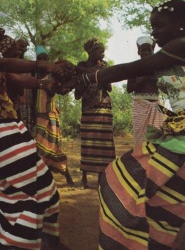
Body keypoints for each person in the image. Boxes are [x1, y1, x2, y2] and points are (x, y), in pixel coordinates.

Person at [62, 0, 185, 250]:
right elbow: (136, 74)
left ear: (182, 24)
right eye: (152, 27)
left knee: (116, 182)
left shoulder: (184, 45)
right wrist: (80, 71)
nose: (154, 33)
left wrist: (85, 76)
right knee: (159, 217)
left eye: (159, 26)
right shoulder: (180, 53)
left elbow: (136, 68)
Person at [0, 32, 76, 249]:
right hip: (5, 131)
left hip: (10, 125)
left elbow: (10, 74)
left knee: (44, 191)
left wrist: (45, 85)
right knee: (34, 193)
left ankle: (48, 242)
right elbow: (5, 64)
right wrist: (47, 67)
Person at [74, 38, 116, 189]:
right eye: (100, 50)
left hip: (103, 106)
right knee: (88, 142)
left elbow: (109, 88)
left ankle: (100, 178)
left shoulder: (104, 65)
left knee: (103, 142)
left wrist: (102, 73)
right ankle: (84, 177)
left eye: (103, 51)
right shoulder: (81, 66)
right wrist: (86, 79)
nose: (103, 54)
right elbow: (77, 92)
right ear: (91, 52)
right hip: (87, 108)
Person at [34, 45, 75, 187]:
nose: (44, 61)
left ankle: (67, 176)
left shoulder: (52, 76)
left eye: (46, 58)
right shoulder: (32, 76)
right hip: (38, 117)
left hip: (50, 117)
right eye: (40, 59)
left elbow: (61, 90)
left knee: (53, 148)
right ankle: (41, 181)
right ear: (37, 60)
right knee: (39, 149)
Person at [127, 36, 164, 146]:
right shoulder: (133, 67)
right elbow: (129, 89)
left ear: (153, 51)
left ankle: (153, 162)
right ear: (139, 52)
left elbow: (164, 86)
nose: (147, 52)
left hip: (155, 105)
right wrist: (145, 78)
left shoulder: (158, 67)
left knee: (157, 136)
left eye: (149, 50)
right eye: (143, 50)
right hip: (140, 105)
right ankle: (140, 159)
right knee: (141, 136)